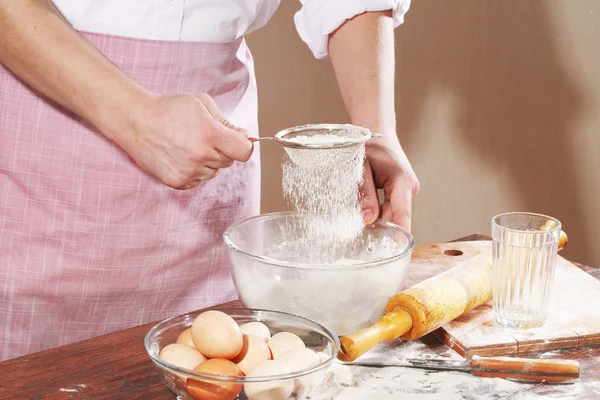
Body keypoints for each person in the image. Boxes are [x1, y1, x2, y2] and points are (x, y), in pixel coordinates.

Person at [0, 0, 419, 361]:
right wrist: (132, 117)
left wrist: (376, 130)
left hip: (211, 166)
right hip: (48, 130)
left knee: (215, 361)